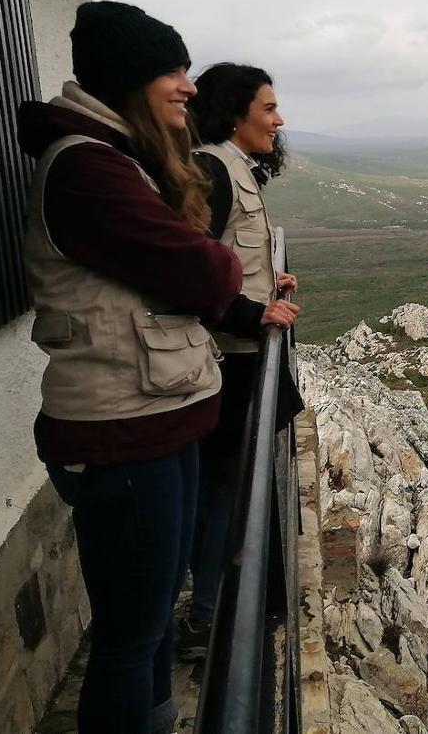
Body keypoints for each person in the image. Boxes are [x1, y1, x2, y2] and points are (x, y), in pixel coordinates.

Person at [16, 2, 296, 734]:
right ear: (132, 79)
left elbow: (196, 268)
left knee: (152, 617)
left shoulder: (119, 161)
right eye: (172, 71)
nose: (188, 86)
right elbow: (202, 269)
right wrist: (225, 281)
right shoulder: (87, 168)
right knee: (131, 636)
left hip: (155, 417)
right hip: (121, 429)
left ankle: (161, 718)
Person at [178, 63, 303, 658]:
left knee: (231, 487)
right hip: (229, 360)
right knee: (226, 491)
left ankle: (216, 606)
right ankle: (208, 616)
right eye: (268, 109)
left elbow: (227, 257)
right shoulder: (212, 170)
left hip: (241, 353)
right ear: (236, 115)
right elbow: (192, 275)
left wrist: (265, 285)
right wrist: (253, 315)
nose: (279, 121)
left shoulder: (230, 169)